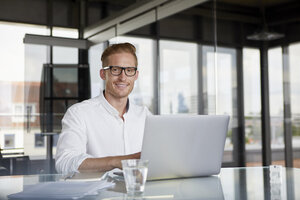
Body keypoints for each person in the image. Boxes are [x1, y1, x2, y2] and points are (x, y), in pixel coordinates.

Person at [55, 42, 151, 175]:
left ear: (135, 75)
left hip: (139, 193)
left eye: (129, 70)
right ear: (103, 74)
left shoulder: (146, 116)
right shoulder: (79, 113)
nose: (123, 77)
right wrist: (116, 162)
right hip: (96, 195)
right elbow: (64, 162)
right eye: (115, 70)